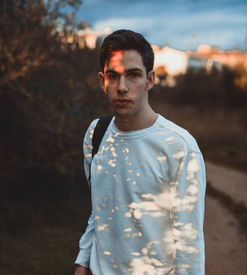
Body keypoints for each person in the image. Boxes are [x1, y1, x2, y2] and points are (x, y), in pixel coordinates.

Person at [74, 29, 206, 275]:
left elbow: (189, 240)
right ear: (102, 80)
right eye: (113, 76)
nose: (122, 87)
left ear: (150, 79)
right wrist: (83, 261)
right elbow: (99, 209)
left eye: (133, 75)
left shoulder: (178, 146)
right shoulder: (96, 134)